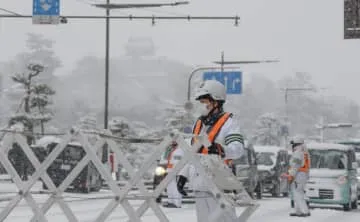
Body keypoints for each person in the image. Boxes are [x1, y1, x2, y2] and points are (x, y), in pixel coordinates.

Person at [177, 80, 245, 222]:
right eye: (200, 102)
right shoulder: (198, 123)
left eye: (205, 102)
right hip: (199, 182)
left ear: (216, 102)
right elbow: (193, 152)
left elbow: (238, 149)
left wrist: (221, 149)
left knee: (225, 219)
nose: (202, 106)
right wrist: (183, 175)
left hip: (219, 181)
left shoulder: (229, 123)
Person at [284, 137, 311, 217]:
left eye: (293, 144)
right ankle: (298, 211)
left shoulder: (298, 153)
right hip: (303, 174)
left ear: (296, 144)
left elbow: (295, 165)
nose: (292, 146)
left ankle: (304, 211)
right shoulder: (305, 152)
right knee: (299, 193)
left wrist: (290, 175)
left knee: (297, 193)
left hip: (298, 174)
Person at [163, 141, 184, 208]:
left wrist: (176, 171)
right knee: (170, 187)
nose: (172, 145)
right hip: (169, 171)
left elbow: (177, 162)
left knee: (175, 188)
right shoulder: (171, 150)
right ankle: (170, 202)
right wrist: (167, 151)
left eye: (174, 144)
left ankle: (177, 203)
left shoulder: (180, 151)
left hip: (176, 172)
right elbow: (165, 159)